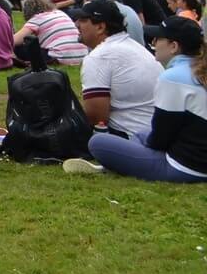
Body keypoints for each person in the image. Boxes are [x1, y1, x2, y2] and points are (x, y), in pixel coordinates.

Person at [78, 16, 207, 182]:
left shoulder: (172, 78)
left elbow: (160, 140)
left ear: (173, 46)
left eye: (158, 38)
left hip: (186, 167)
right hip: (197, 158)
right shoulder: (196, 71)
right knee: (141, 134)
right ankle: (122, 160)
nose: (153, 42)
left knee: (98, 142)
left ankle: (115, 163)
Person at [70, 0, 162, 138]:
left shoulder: (100, 56)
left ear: (100, 27)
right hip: (156, 133)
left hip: (133, 136)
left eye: (83, 20)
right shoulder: (132, 46)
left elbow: (97, 118)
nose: (76, 24)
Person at [13, 0, 87, 66]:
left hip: (58, 57)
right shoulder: (60, 13)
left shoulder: (37, 19)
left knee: (19, 48)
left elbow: (13, 41)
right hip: (82, 55)